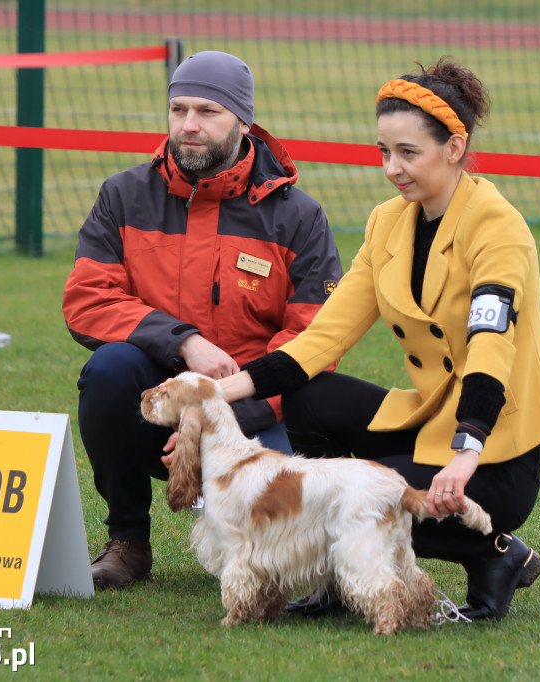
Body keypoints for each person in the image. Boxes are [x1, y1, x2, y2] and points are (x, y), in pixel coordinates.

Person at [216, 57, 540, 622]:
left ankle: (496, 553)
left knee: (365, 498)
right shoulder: (387, 222)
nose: (392, 168)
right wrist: (224, 391)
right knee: (312, 396)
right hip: (433, 415)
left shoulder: (499, 227)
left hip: (496, 444)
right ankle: (336, 577)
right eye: (384, 151)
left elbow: (491, 344)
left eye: (409, 153)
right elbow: (323, 336)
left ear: (454, 148)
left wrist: (466, 452)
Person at [63, 51, 344, 589]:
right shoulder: (123, 195)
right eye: (178, 109)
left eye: (208, 111)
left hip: (255, 413)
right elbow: (87, 297)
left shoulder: (298, 216)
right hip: (160, 405)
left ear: (243, 121)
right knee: (110, 369)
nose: (189, 125)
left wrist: (225, 411)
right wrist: (184, 342)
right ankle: (127, 542)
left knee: (290, 559)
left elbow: (316, 334)